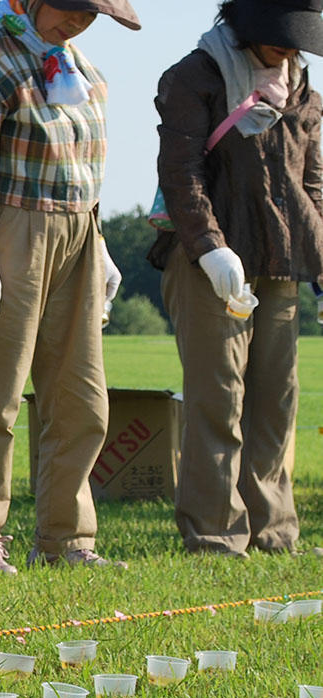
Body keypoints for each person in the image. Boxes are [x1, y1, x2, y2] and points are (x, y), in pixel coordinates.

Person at [0, 0, 141, 571]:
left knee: (82, 398)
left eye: (92, 13)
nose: (79, 20)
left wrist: (98, 247)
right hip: (11, 228)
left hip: (79, 230)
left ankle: (67, 538)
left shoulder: (82, 69)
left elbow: (88, 169)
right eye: (71, 6)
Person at [150, 0, 323, 557]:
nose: (290, 48)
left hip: (282, 263)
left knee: (276, 400)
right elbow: (182, 173)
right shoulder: (192, 76)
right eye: (281, 35)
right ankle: (215, 534)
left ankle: (273, 531)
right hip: (210, 262)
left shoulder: (300, 88)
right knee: (218, 397)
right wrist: (210, 248)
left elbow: (312, 186)